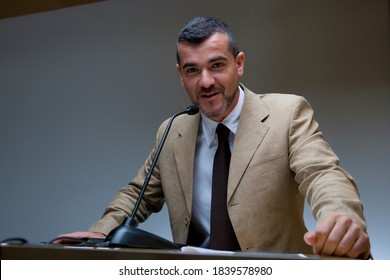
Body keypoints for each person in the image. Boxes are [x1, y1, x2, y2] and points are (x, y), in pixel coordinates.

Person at [57, 16, 371, 259]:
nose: (206, 81)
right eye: (193, 70)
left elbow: (323, 174)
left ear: (239, 64)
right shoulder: (171, 131)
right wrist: (98, 234)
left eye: (217, 65)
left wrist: (341, 219)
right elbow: (136, 194)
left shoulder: (287, 112)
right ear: (181, 75)